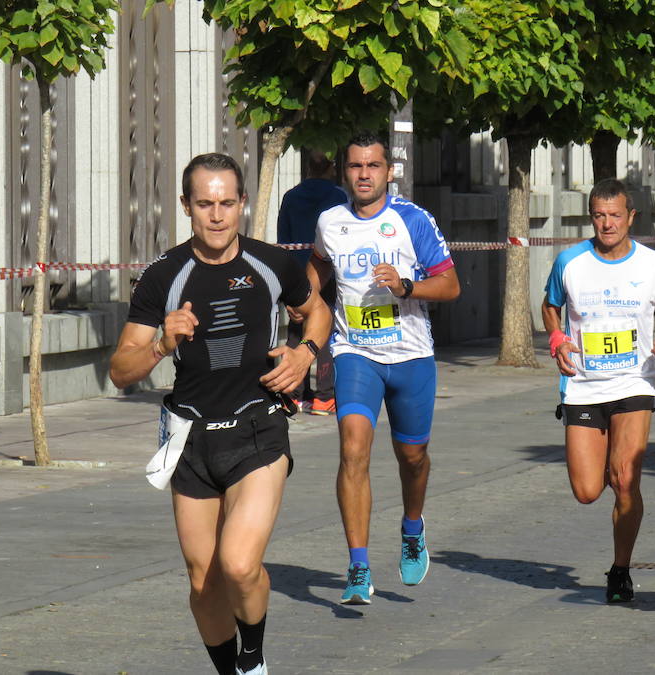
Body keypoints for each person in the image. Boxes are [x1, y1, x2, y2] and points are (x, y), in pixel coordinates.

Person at [109, 153, 331, 675]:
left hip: (258, 429)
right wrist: (163, 342)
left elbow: (316, 309)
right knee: (203, 577)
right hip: (190, 438)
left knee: (238, 563)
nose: (217, 215)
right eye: (205, 203)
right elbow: (121, 370)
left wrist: (306, 353)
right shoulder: (164, 276)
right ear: (186, 206)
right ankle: (230, 671)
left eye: (227, 203)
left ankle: (253, 658)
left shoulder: (271, 263)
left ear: (242, 205)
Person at [307, 131, 460, 605]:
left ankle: (412, 528)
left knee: (411, 458)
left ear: (388, 171)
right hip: (355, 353)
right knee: (353, 449)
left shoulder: (412, 219)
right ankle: (358, 566)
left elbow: (451, 286)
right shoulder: (330, 221)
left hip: (411, 357)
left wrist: (407, 287)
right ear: (344, 172)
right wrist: (306, 299)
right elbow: (317, 266)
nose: (365, 175)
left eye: (373, 166)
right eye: (356, 167)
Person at [541, 178, 655, 604]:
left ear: (631, 218)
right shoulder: (570, 262)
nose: (607, 224)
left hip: (635, 382)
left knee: (625, 479)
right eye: (599, 215)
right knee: (588, 490)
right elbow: (550, 307)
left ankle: (620, 569)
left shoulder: (652, 264)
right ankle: (612, 466)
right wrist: (556, 341)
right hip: (583, 386)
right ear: (592, 216)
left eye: (615, 215)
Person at [277, 149, 347, 415]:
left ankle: (295, 394)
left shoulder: (291, 197)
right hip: (325, 271)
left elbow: (283, 238)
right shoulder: (338, 196)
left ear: (307, 169)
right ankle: (324, 396)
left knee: (297, 332)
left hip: (295, 272)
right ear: (330, 168)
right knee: (325, 330)